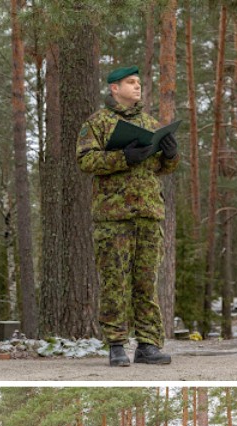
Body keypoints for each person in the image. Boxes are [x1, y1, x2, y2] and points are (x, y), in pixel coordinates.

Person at [77, 66, 178, 366]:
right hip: (113, 216)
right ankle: (116, 344)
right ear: (114, 88)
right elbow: (85, 160)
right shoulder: (97, 123)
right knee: (114, 281)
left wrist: (171, 155)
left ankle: (148, 345)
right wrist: (123, 158)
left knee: (146, 282)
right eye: (130, 83)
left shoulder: (149, 123)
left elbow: (159, 168)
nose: (137, 87)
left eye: (138, 82)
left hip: (148, 214)